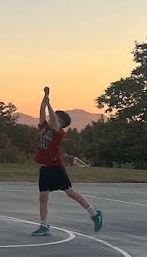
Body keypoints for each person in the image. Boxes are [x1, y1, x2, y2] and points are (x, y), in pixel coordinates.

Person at [31, 86, 102, 235]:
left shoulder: (58, 132)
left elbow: (53, 117)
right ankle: (44, 226)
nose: (50, 119)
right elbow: (41, 111)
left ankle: (94, 213)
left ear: (61, 123)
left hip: (55, 167)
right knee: (43, 197)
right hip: (45, 168)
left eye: (54, 118)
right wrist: (45, 98)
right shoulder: (44, 126)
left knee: (70, 192)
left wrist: (50, 105)